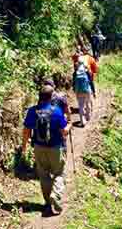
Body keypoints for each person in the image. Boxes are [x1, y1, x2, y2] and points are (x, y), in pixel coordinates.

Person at [22, 85, 71, 215]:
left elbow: (26, 130)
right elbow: (64, 132)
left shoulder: (33, 111)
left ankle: (48, 203)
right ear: (51, 97)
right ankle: (55, 196)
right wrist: (70, 125)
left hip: (39, 147)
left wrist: (24, 146)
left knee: (43, 175)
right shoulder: (57, 111)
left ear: (40, 96)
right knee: (59, 174)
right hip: (55, 148)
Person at [73, 57, 96, 127]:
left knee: (80, 106)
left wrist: (75, 90)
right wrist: (94, 91)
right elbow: (91, 82)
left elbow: (73, 83)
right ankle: (88, 117)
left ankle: (82, 121)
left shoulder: (75, 73)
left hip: (78, 91)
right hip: (87, 90)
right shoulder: (87, 71)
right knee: (88, 103)